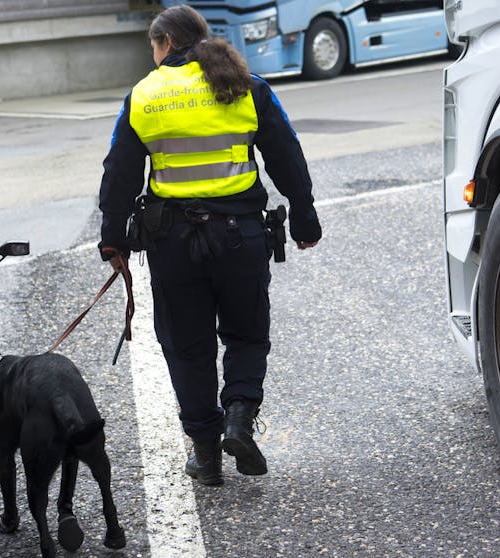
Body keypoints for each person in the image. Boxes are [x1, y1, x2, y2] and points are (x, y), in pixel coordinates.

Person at [98, 4, 321, 486]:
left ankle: (205, 451)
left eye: (153, 49)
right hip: (241, 237)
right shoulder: (247, 84)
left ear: (165, 44)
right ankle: (239, 419)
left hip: (173, 244)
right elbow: (286, 153)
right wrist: (304, 218)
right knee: (245, 334)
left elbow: (118, 172)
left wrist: (112, 238)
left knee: (187, 346)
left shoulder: (144, 95)